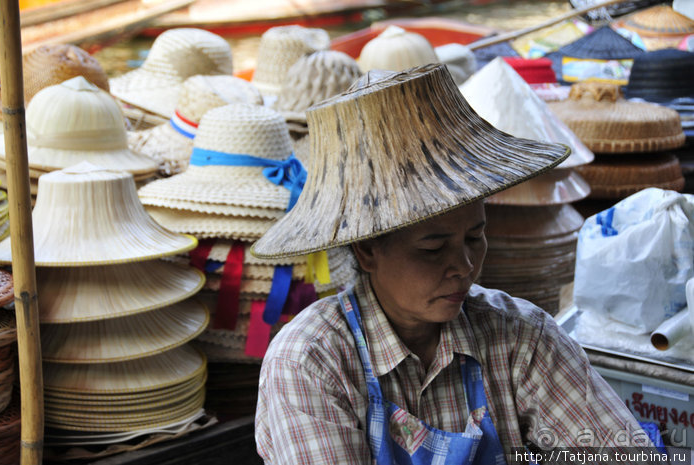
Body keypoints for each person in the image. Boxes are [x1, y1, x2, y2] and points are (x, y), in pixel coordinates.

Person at [251, 64, 656, 464]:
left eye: (475, 237)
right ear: (367, 251)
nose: (464, 266)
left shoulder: (520, 336)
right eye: (433, 248)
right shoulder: (312, 361)